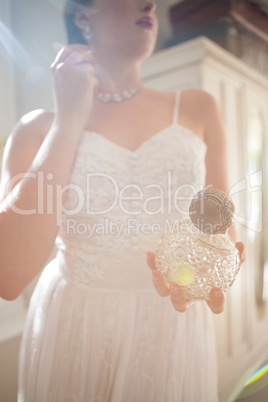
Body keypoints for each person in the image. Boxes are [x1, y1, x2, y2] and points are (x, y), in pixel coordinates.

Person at [0, 0, 245, 401]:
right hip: (76, 325)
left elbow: (221, 235)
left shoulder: (199, 108)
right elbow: (8, 275)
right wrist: (69, 119)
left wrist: (217, 273)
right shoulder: (36, 128)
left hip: (170, 323)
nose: (149, 3)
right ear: (83, 16)